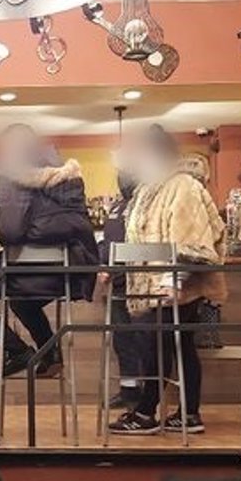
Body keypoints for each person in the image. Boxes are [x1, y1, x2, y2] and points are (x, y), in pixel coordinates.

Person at [110, 125, 226, 435]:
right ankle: (187, 413)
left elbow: (190, 238)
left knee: (158, 345)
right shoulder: (151, 188)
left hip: (172, 284)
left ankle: (147, 412)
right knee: (175, 345)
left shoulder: (181, 185)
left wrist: (173, 279)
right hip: (157, 283)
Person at [0, 124, 98, 378]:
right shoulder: (68, 175)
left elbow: (10, 231)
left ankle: (17, 352)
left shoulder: (15, 173)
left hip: (28, 270)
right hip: (71, 272)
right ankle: (50, 353)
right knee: (22, 303)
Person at [100, 153, 143, 409]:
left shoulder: (146, 204)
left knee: (142, 339)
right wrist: (103, 265)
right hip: (118, 282)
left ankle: (147, 392)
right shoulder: (117, 206)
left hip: (140, 281)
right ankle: (129, 391)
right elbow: (108, 243)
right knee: (122, 340)